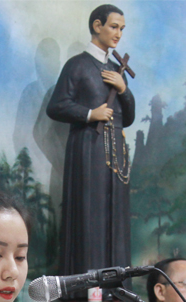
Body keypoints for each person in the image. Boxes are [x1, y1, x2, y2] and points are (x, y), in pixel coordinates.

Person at [46, 4, 135, 287]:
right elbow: (56, 106)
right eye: (113, 26)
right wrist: (89, 114)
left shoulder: (116, 70)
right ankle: (87, 289)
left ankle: (116, 288)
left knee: (116, 216)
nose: (118, 34)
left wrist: (123, 89)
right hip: (88, 148)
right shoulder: (77, 65)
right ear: (97, 26)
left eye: (122, 29)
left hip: (116, 154)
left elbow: (128, 118)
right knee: (90, 213)